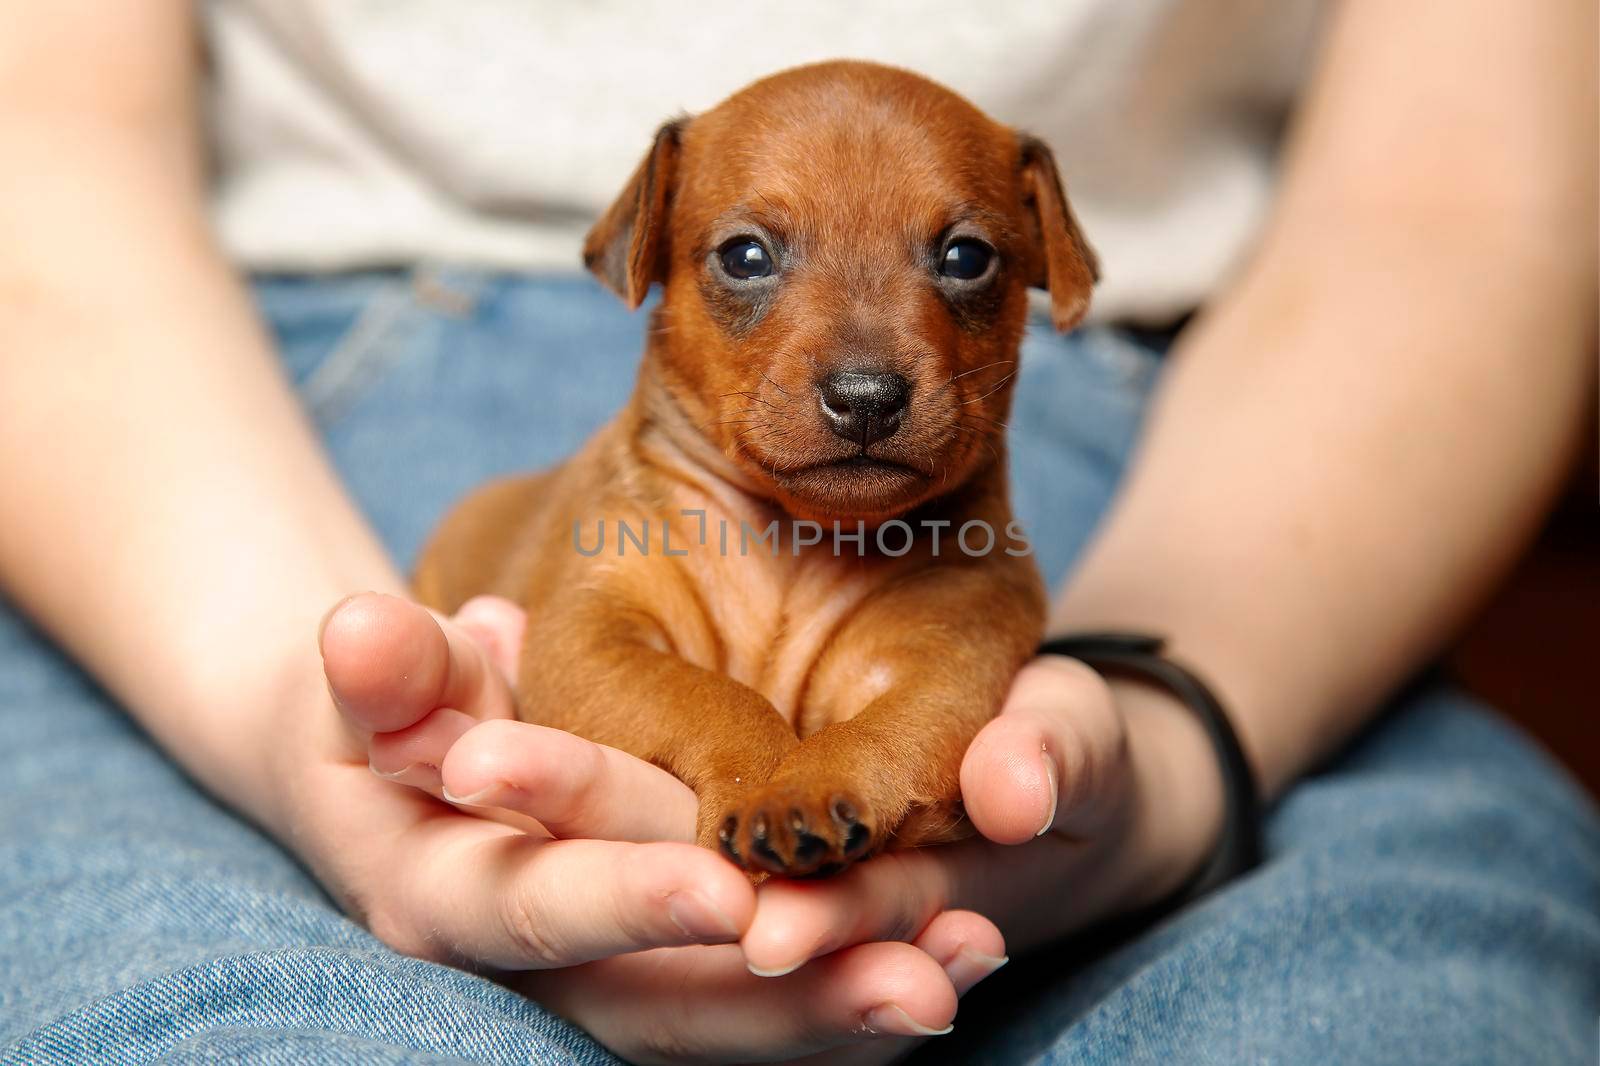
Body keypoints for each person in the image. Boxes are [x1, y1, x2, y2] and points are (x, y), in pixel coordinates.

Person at [1, 2, 1594, 1063]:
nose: (860, 361)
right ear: (653, 254)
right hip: (204, 483)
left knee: (1416, 1011)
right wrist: (308, 732)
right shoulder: (591, 514)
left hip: (1236, 506)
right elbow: (586, 647)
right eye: (751, 257)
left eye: (964, 263)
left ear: (1046, 257)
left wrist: (1187, 751)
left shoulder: (989, 576)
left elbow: (1453, 201)